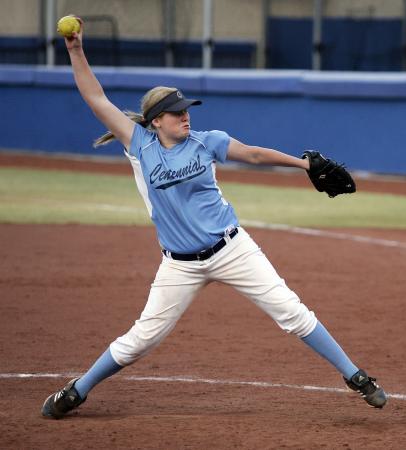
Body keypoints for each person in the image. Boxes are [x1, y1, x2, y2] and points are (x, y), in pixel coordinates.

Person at [41, 17, 387, 419]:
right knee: (141, 340)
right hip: (179, 266)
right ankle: (77, 390)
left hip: (232, 248)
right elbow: (95, 98)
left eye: (186, 110)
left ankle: (356, 376)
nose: (185, 117)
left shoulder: (208, 143)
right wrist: (76, 50)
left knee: (290, 311)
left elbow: (254, 154)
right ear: (156, 121)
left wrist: (304, 165)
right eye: (175, 113)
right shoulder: (140, 146)